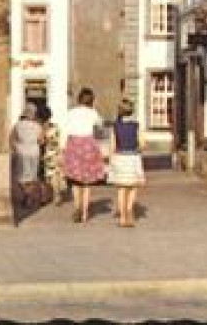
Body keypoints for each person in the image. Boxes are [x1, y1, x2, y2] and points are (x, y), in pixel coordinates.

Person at [59, 87, 108, 223]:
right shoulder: (93, 112)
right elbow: (100, 125)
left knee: (75, 181)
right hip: (88, 145)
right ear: (91, 100)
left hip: (74, 144)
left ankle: (77, 207)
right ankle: (85, 213)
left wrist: (62, 149)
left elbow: (64, 130)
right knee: (87, 182)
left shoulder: (71, 112)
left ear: (78, 99)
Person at [108, 99, 145, 227]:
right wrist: (137, 148)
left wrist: (111, 161)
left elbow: (112, 146)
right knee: (133, 187)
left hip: (120, 157)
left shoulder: (115, 126)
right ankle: (130, 210)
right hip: (133, 157)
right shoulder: (136, 125)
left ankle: (122, 218)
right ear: (132, 111)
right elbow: (142, 144)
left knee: (121, 189)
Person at [8, 102, 44, 212]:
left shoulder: (17, 125)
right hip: (34, 152)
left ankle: (26, 194)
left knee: (20, 176)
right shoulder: (38, 126)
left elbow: (11, 139)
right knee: (32, 176)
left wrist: (15, 148)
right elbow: (41, 140)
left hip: (21, 152)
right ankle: (29, 195)